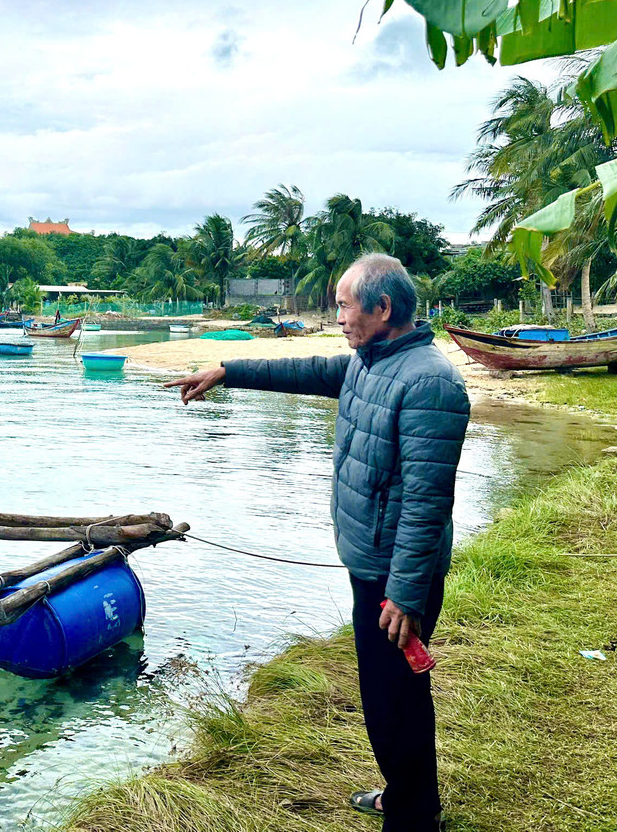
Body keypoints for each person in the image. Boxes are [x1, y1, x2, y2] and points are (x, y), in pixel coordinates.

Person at [165, 252, 469, 832]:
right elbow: (304, 371)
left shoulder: (429, 382)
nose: (339, 319)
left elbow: (429, 502)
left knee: (393, 699)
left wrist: (403, 594)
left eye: (345, 306)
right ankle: (407, 794)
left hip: (396, 578)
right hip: (371, 562)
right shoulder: (368, 362)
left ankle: (413, 816)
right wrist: (226, 371)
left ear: (383, 308)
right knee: (388, 692)